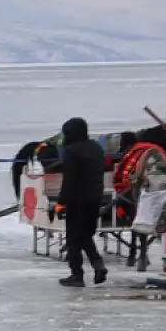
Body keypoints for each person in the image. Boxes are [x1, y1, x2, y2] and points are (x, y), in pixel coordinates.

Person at [56, 117, 108, 287]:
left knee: (73, 238)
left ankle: (76, 275)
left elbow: (69, 180)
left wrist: (61, 202)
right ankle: (98, 264)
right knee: (85, 235)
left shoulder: (72, 151)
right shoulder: (96, 148)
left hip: (77, 200)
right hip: (95, 198)